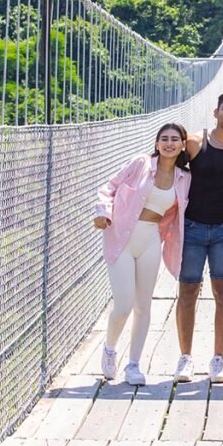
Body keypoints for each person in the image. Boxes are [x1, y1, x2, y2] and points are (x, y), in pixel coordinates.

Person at [94, 123, 191, 385]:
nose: (169, 143)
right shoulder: (141, 163)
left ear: (183, 144)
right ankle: (110, 349)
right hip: (122, 237)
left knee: (143, 306)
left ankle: (134, 365)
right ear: (157, 143)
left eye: (174, 139)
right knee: (124, 304)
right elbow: (109, 188)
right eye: (164, 139)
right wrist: (103, 212)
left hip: (151, 240)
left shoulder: (184, 178)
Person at [175, 91, 223, 383]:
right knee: (187, 293)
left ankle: (218, 360)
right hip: (192, 229)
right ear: (215, 111)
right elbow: (168, 167)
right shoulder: (195, 142)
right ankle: (185, 358)